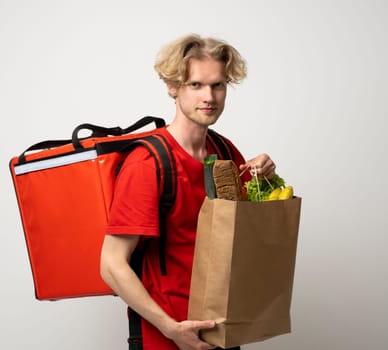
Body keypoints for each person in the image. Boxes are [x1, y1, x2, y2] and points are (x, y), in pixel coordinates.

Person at [100, 34, 276, 350]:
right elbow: (111, 264)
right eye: (195, 85)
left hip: (221, 330)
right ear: (172, 87)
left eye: (218, 85)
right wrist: (171, 329)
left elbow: (248, 235)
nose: (209, 96)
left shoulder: (224, 151)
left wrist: (265, 178)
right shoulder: (147, 162)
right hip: (167, 336)